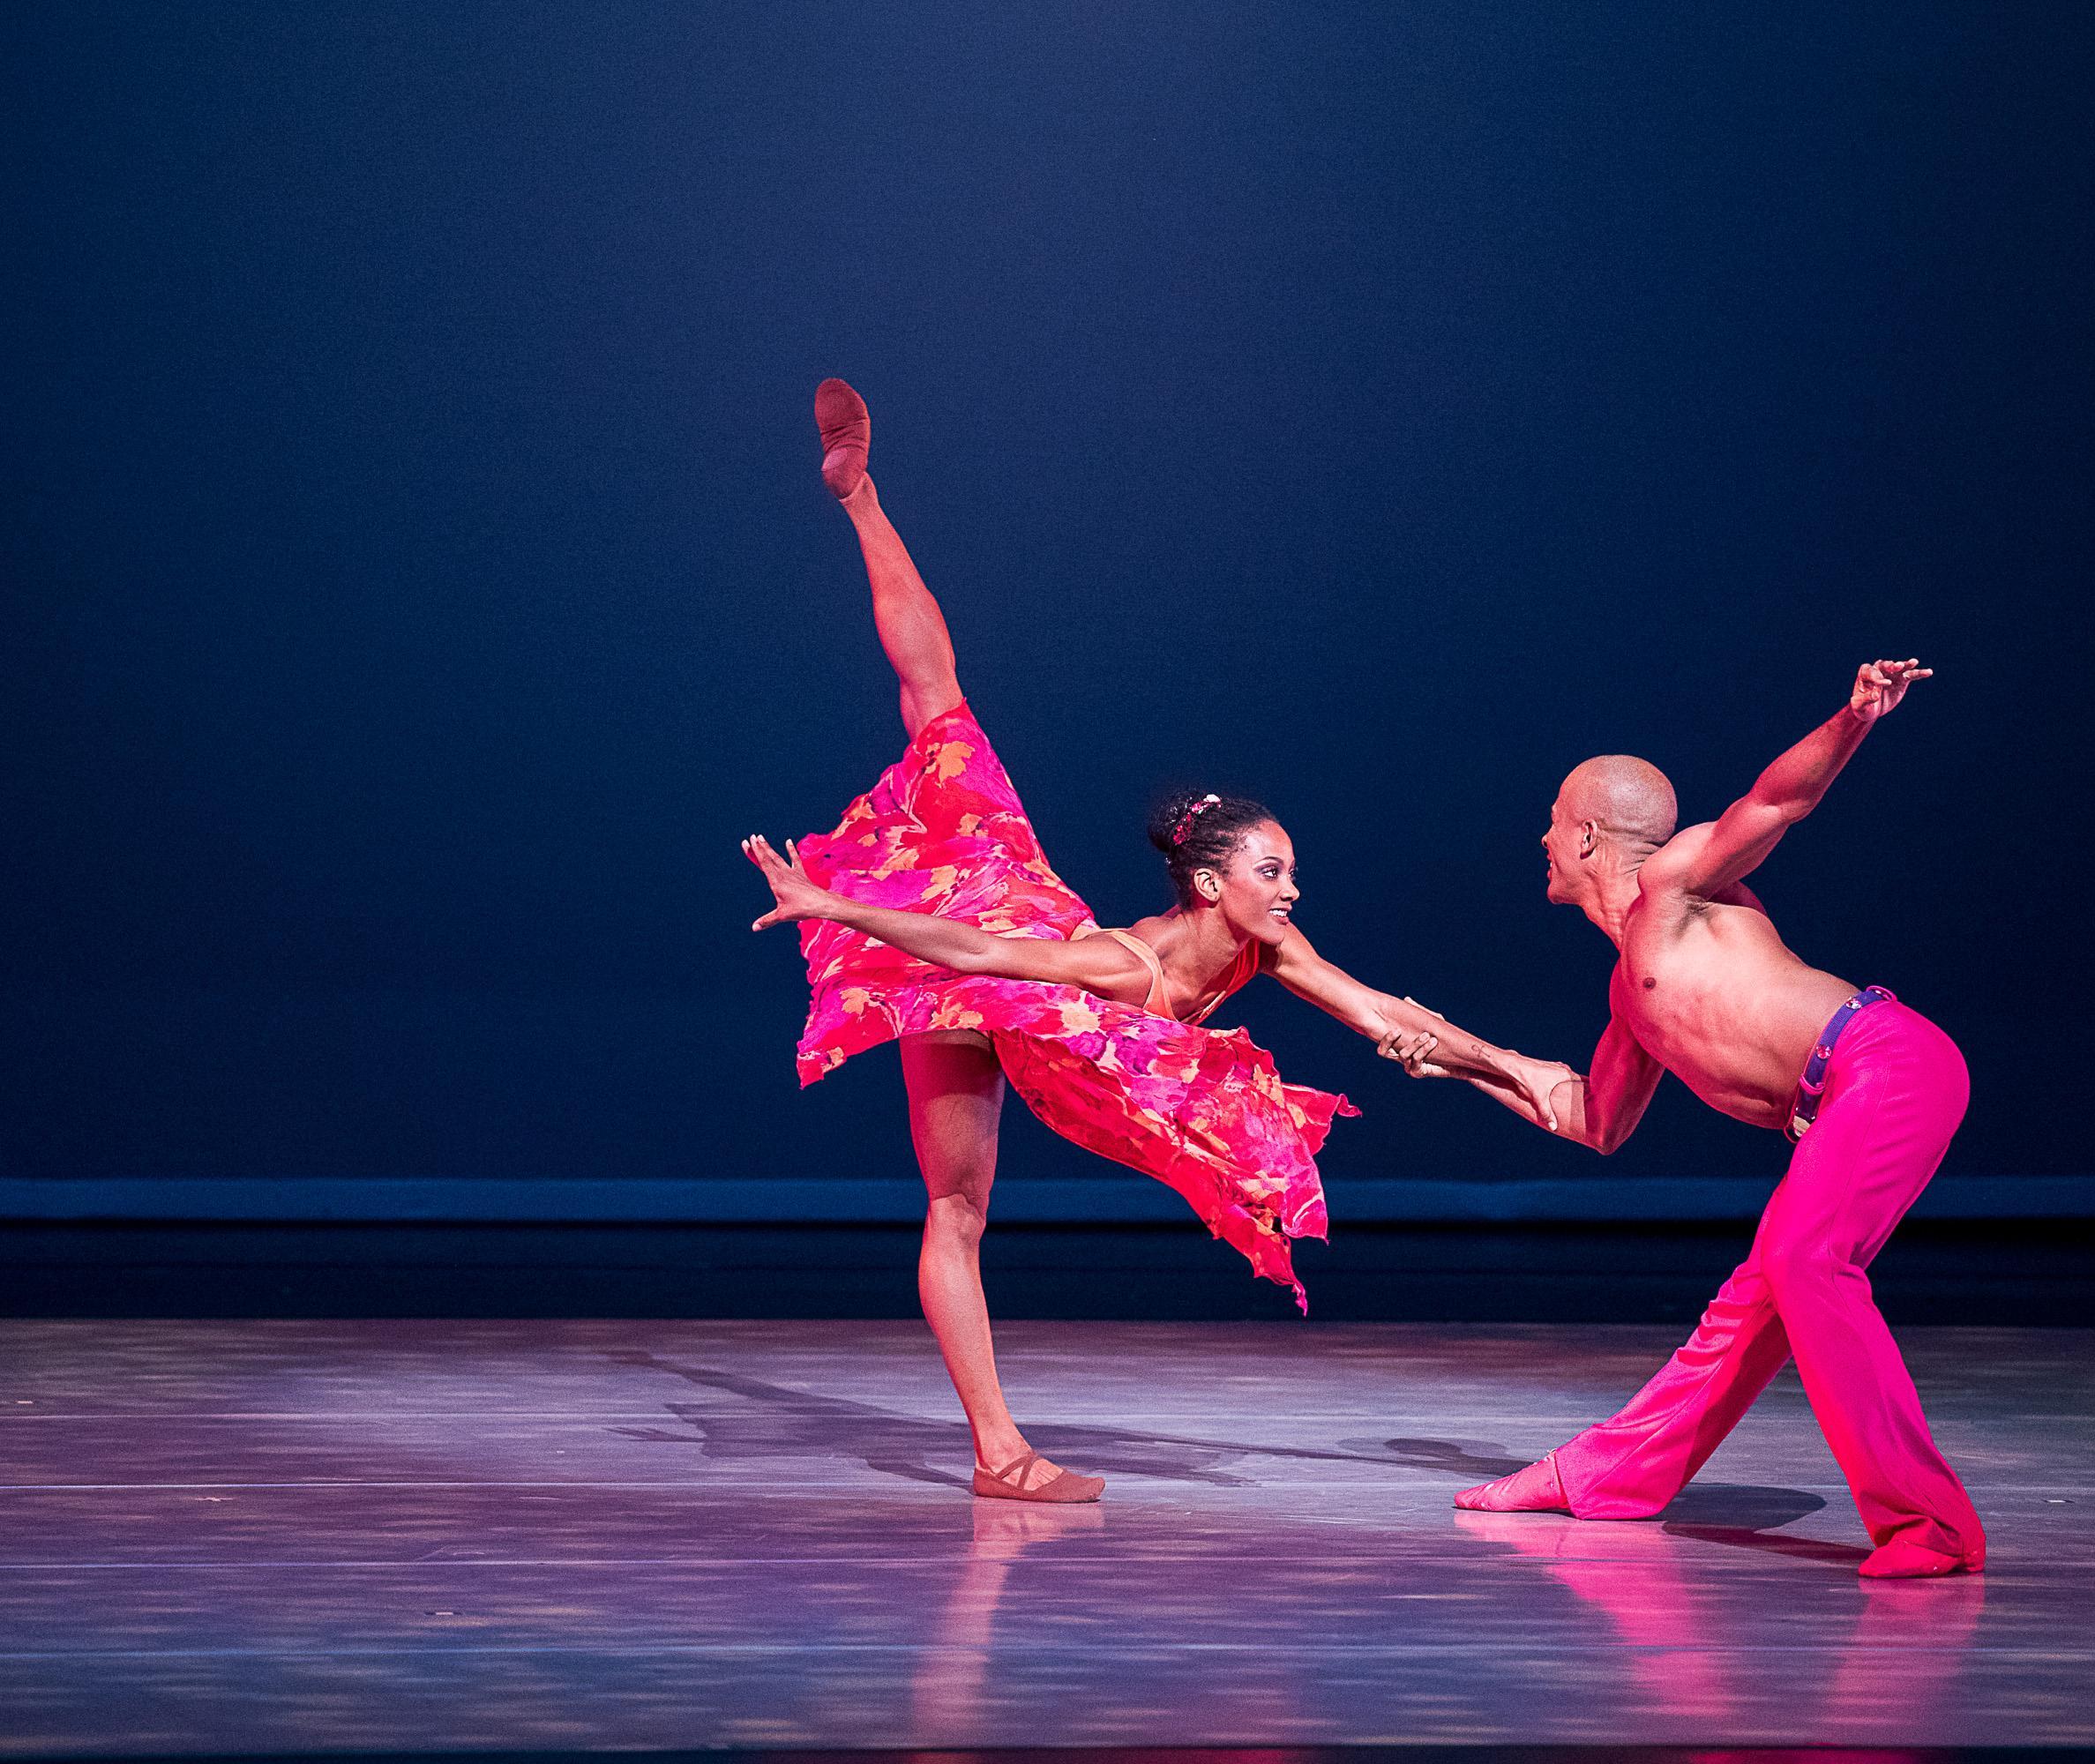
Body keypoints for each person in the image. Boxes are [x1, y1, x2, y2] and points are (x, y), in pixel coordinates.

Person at [743, 377, 1561, 1505]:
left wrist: (1513, 1069)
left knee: (943, 712)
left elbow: (1387, 1016)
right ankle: (859, 496)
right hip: (993, 947)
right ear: (1214, 883)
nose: (1292, 888)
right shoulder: (1121, 964)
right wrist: (839, 908)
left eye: (1290, 871)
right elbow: (979, 960)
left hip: (1038, 959)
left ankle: (859, 497)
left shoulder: (1268, 947)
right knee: (940, 712)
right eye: (1273, 872)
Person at [1406, 660, 1987, 1577]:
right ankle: (1608, 1472)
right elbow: (1593, 1119)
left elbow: (1775, 803)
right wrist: (1455, 1053)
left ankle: (1930, 1523)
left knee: (1804, 1261)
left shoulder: (1672, 887)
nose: (1542, 838)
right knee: (1756, 1300)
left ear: (1589, 834)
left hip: (1887, 1060)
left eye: (1555, 822)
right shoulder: (1629, 993)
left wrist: (1854, 716)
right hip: (1844, 1097)